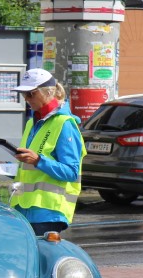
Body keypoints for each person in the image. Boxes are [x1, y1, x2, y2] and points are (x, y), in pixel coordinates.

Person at [10, 68, 86, 236]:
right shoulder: (32, 123)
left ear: (48, 92)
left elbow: (72, 172)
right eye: (24, 94)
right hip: (23, 210)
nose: (26, 99)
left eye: (31, 94)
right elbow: (28, 169)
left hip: (49, 213)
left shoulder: (65, 124)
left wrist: (38, 160)